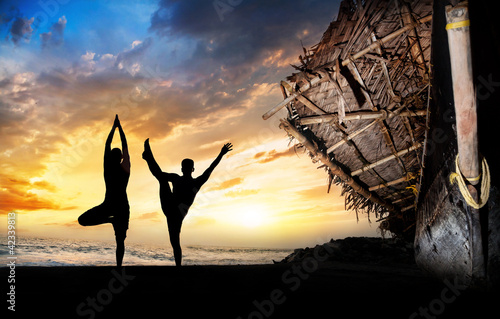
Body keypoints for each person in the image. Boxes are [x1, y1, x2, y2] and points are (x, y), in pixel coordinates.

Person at [142, 138, 232, 266]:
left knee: (161, 178)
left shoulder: (179, 179)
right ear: (192, 169)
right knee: (175, 242)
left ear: (182, 168)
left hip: (172, 210)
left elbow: (158, 173)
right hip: (175, 211)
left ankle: (148, 157)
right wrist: (221, 154)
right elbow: (210, 169)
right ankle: (178, 267)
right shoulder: (194, 182)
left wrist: (221, 154)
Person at [78, 115, 130, 268]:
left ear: (111, 157)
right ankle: (119, 267)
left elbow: (107, 145)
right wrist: (120, 129)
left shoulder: (108, 168)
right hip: (118, 206)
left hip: (111, 205)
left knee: (83, 220)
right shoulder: (125, 168)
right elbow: (125, 145)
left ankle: (110, 220)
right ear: (120, 157)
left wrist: (113, 129)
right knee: (120, 241)